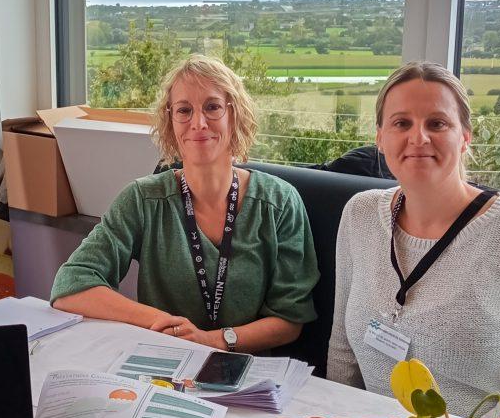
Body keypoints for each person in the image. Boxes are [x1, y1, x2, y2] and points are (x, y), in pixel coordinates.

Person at [327, 61, 500, 418]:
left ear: (464, 137)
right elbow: (342, 354)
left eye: (437, 123)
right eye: (402, 123)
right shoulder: (360, 214)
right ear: (380, 139)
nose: (419, 137)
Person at [51, 55, 319, 352]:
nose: (198, 123)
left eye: (213, 107)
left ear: (235, 115)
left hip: (247, 373)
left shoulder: (279, 203)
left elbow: (290, 320)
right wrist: (165, 324)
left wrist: (211, 340)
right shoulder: (142, 200)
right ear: (170, 121)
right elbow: (69, 287)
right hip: (165, 363)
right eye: (184, 110)